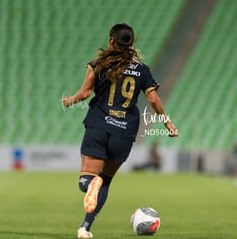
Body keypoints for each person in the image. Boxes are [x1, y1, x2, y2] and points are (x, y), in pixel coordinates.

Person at [62, 23, 178, 238]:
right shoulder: (141, 69)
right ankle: (85, 228)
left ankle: (90, 184)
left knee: (86, 182)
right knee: (105, 180)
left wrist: (70, 100)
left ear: (111, 41)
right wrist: (167, 122)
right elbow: (153, 99)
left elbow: (85, 93)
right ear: (132, 43)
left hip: (99, 125)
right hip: (124, 132)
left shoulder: (98, 64)